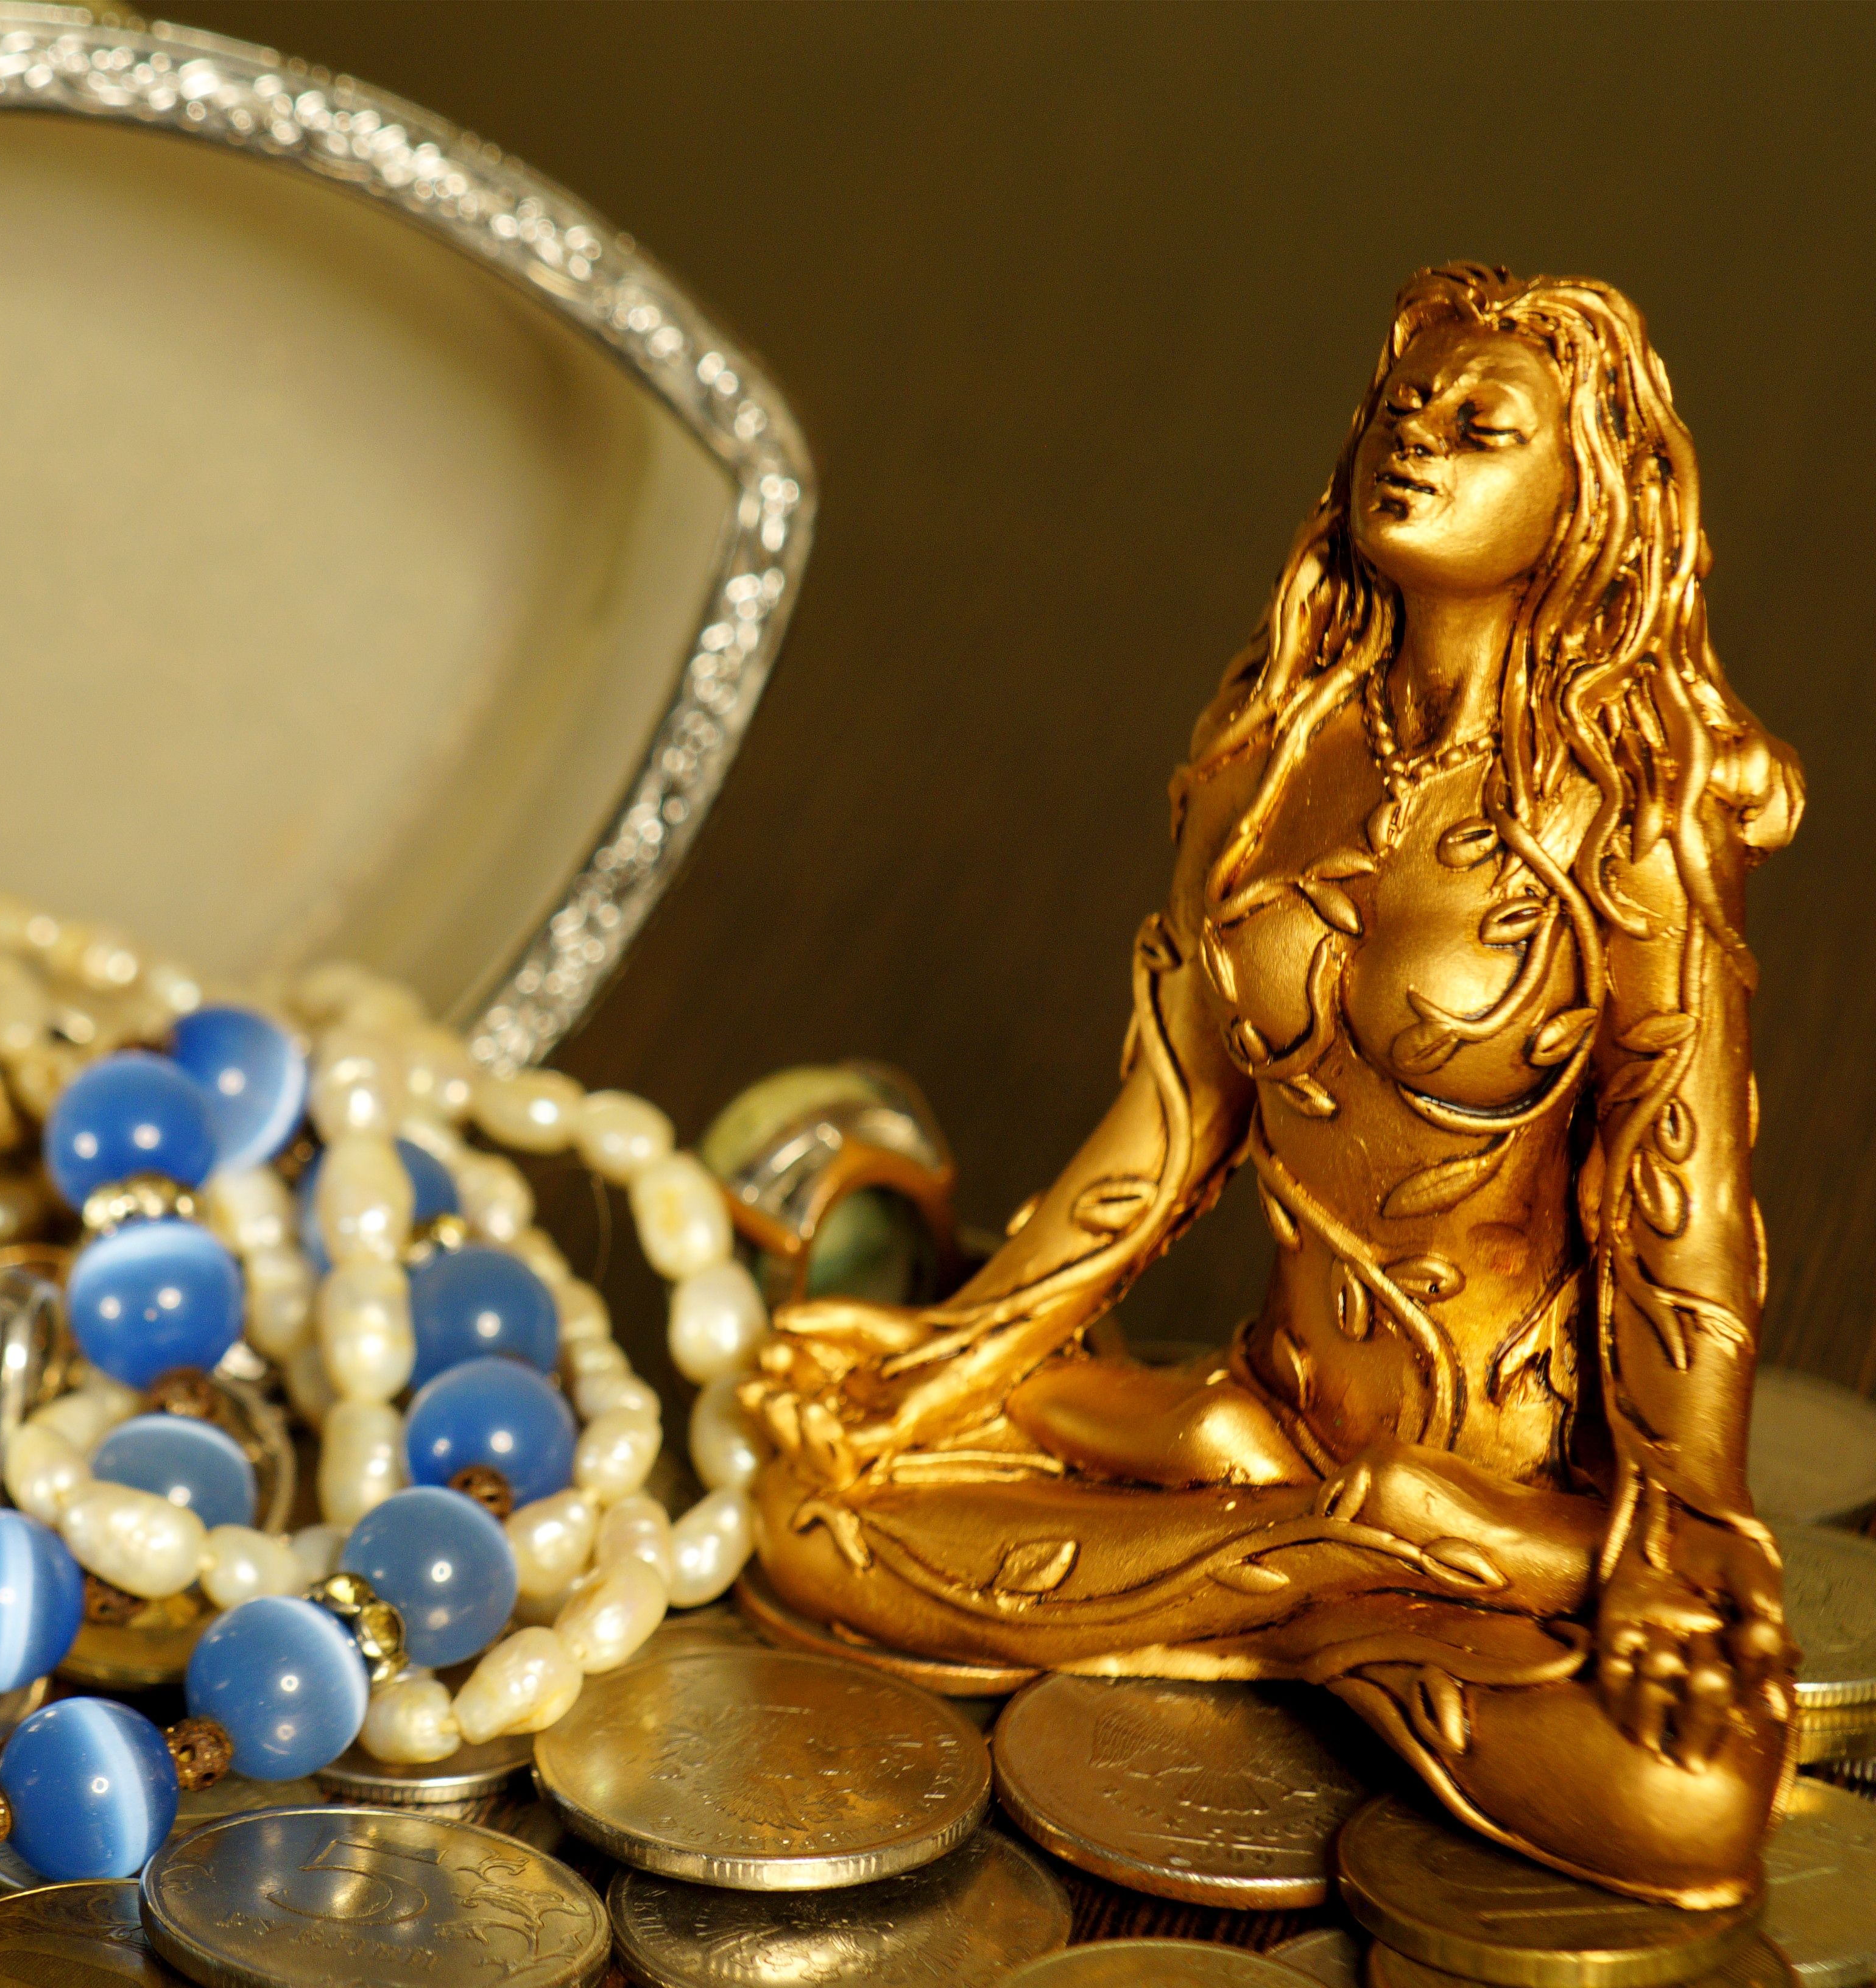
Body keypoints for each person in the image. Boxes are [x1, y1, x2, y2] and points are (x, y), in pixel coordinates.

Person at [744, 265, 1803, 1908]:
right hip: (1285, 1413)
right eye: (1398, 414)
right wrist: (946, 1373)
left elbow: (1681, 1213)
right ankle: (1335, 1566)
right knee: (812, 1516)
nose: (1416, 448)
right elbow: (1160, 1140)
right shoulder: (1269, 751)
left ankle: (1331, 1550)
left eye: (1479, 428)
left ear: (1582, 489)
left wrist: (1678, 1529)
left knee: (1681, 1804)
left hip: (1524, 1484)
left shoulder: (1636, 817)